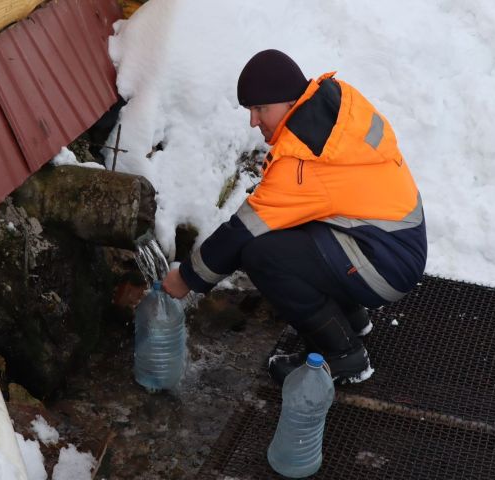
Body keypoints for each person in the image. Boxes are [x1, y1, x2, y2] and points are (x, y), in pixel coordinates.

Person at [162, 49, 426, 385]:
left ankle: (343, 356)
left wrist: (186, 278)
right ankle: (351, 316)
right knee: (290, 227)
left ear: (289, 102)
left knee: (261, 254)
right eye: (250, 110)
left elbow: (242, 230)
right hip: (397, 237)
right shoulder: (333, 107)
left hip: (385, 264)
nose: (254, 121)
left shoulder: (302, 160)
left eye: (261, 109)